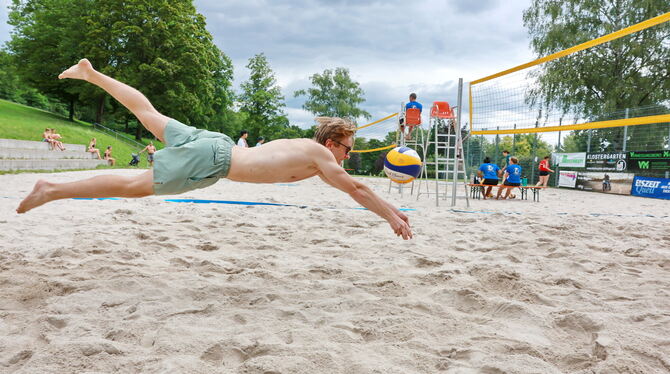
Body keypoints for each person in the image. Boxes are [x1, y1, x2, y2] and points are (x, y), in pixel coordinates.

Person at [16, 59, 412, 240]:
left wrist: (393, 210)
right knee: (136, 185)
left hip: (214, 141)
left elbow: (359, 192)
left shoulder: (307, 153)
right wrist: (391, 219)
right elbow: (358, 189)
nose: (347, 155)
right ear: (331, 143)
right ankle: (51, 189)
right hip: (215, 160)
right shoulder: (321, 157)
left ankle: (91, 73)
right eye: (347, 148)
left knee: (148, 114)